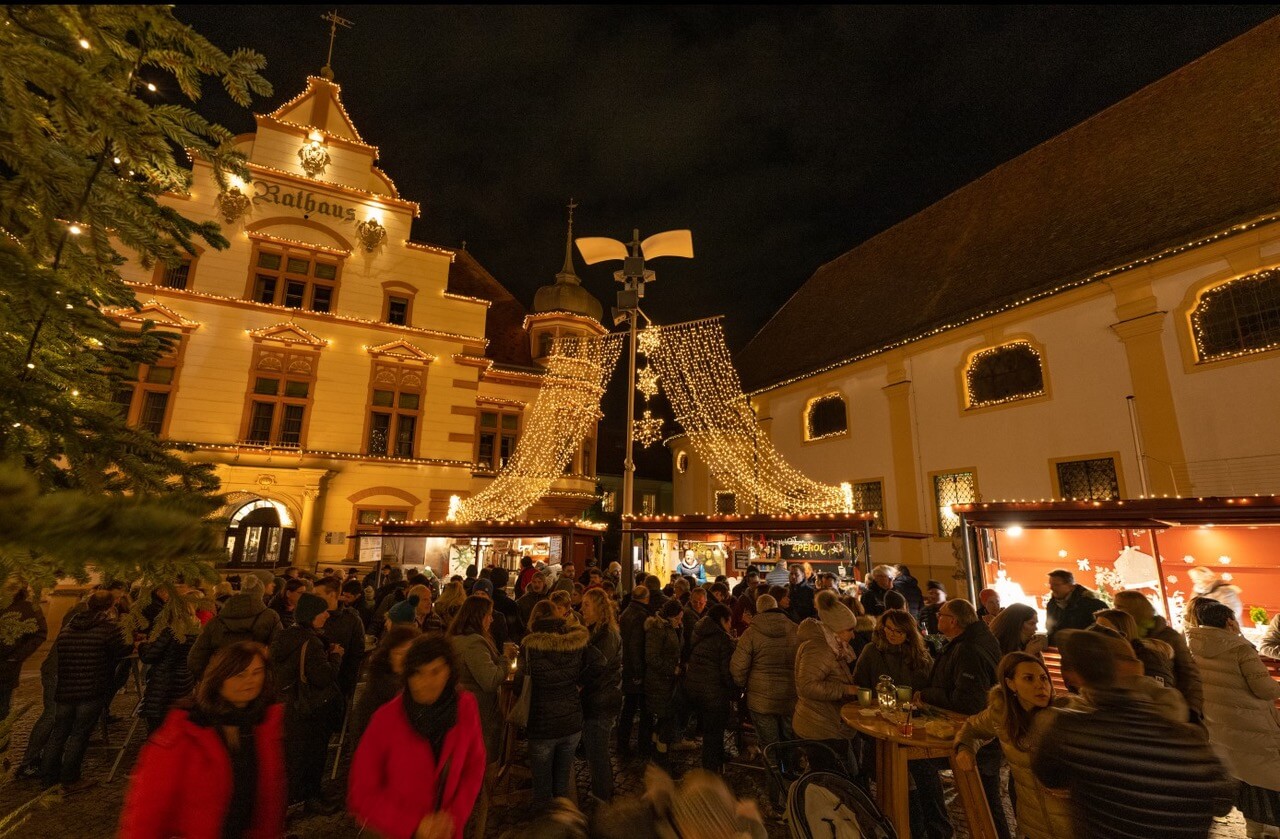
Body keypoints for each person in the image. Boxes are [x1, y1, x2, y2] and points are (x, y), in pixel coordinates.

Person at [1031, 629, 1236, 839]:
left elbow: (1050, 777)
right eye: (1133, 658)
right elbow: (1222, 801)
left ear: (1077, 675)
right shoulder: (1189, 739)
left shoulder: (1070, 731)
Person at [119, 642, 284, 839]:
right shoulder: (184, 732)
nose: (250, 681)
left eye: (257, 672)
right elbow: (148, 809)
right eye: (240, 674)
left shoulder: (263, 725)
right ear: (219, 678)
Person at [349, 634, 487, 839]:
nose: (426, 682)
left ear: (449, 671)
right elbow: (361, 793)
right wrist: (415, 824)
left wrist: (454, 817)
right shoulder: (386, 719)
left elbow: (474, 763)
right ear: (407, 675)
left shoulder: (465, 706)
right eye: (417, 673)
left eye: (436, 671)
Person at [911, 598, 1009, 839]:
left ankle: (939, 830)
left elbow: (968, 700)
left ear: (953, 621)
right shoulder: (975, 640)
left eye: (941, 615)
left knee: (986, 799)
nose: (937, 618)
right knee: (988, 799)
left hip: (978, 736)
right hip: (983, 734)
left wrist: (927, 694)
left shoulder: (969, 649)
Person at [954, 652, 1078, 839]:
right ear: (1011, 684)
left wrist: (1079, 784)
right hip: (1031, 827)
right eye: (1029, 678)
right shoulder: (1001, 714)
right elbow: (972, 727)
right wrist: (965, 748)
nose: (1040, 685)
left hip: (1072, 829)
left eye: (1044, 678)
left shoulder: (1065, 716)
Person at [1187, 601, 1280, 838]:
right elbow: (1265, 690)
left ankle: (1255, 829)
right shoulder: (1240, 649)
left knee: (1245, 777)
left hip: (1221, 725)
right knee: (1267, 776)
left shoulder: (1194, 648)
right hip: (1253, 723)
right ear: (1229, 621)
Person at [41, 590, 132, 789]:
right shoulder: (108, 628)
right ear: (111, 606)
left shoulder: (69, 627)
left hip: (66, 688)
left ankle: (48, 777)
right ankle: (70, 778)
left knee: (59, 733)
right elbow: (122, 649)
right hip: (92, 688)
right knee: (79, 734)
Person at [519, 599, 602, 806]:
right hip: (571, 722)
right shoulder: (575, 640)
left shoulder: (529, 646)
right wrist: (579, 682)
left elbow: (519, 686)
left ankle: (546, 821)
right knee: (562, 785)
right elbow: (600, 662)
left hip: (542, 724)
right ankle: (563, 818)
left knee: (542, 789)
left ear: (535, 619)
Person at [269, 592, 344, 814]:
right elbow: (324, 677)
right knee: (313, 755)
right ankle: (311, 798)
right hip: (310, 707)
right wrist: (336, 656)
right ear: (311, 614)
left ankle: (295, 798)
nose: (327, 615)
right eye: (323, 612)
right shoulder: (310, 642)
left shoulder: (285, 637)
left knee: (296, 756)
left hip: (290, 704)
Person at [730, 593, 796, 803]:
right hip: (790, 697)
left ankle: (775, 798)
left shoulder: (751, 633)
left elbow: (738, 668)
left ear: (758, 610)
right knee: (789, 742)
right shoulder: (795, 629)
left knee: (769, 745)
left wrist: (744, 685)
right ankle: (793, 790)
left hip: (761, 700)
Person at [791, 590, 860, 772]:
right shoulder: (820, 648)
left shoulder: (834, 646)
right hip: (819, 726)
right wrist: (846, 689)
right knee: (830, 778)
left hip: (826, 723)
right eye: (850, 630)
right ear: (836, 628)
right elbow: (807, 686)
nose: (853, 635)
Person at [1112, 589, 1204, 721]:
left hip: (1170, 707)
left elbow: (1189, 673)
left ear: (1135, 609)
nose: (1115, 611)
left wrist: (1191, 710)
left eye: (1120, 607)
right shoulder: (1121, 636)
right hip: (1135, 710)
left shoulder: (1168, 636)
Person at [447, 594, 507, 762]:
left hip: (464, 710)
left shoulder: (457, 638)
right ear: (478, 617)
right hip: (478, 713)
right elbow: (490, 681)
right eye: (489, 615)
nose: (492, 620)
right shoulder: (474, 643)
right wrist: (505, 660)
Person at [683, 603, 736, 772]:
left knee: (709, 729)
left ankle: (716, 756)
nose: (730, 626)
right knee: (714, 731)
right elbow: (726, 672)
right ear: (722, 620)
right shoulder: (722, 639)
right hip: (712, 692)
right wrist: (734, 690)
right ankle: (710, 769)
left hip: (695, 687)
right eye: (729, 621)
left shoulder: (700, 631)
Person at [581, 588, 622, 802]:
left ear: (598, 608)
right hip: (598, 697)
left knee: (597, 749)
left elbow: (597, 667)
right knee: (595, 747)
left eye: (587, 605)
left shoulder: (606, 635)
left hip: (602, 699)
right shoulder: (595, 631)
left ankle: (603, 794)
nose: (582, 609)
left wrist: (579, 682)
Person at [138, 592, 198, 732]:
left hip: (164, 684)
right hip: (184, 682)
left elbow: (149, 656)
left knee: (158, 728)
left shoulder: (170, 631)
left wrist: (143, 645)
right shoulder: (195, 631)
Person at [350, 624, 419, 744]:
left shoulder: (422, 689)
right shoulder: (378, 692)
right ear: (389, 657)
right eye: (399, 653)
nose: (405, 659)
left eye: (410, 653)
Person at [644, 599, 685, 770]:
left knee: (664, 718)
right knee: (666, 718)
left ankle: (658, 753)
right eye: (678, 618)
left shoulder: (671, 627)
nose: (680, 622)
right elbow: (651, 657)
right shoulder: (658, 629)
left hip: (667, 681)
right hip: (659, 682)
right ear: (670, 616)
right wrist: (671, 669)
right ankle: (661, 758)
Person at [1092, 608, 1177, 689]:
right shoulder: (1108, 658)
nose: (1098, 634)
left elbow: (1158, 694)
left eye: (1105, 629)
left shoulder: (1147, 659)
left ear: (1122, 631)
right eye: (1096, 629)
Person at [0, 577, 47, 720]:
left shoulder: (28, 608)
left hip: (6, 667)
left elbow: (40, 633)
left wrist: (17, 656)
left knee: (2, 708)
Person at [852, 609, 934, 691]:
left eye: (898, 631)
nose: (892, 634)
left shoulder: (919, 654)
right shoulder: (871, 650)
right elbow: (860, 683)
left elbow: (931, 683)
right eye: (888, 628)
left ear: (909, 633)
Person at [315, 576, 366, 703]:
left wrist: (346, 687)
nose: (314, 598)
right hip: (313, 687)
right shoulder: (312, 616)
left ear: (332, 595)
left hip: (338, 686)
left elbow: (356, 655)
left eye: (318, 595)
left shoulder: (352, 620)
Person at [618, 585, 652, 759]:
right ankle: (641, 745)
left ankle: (622, 743)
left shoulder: (626, 612)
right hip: (636, 670)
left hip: (628, 666)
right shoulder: (640, 616)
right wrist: (639, 672)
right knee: (641, 708)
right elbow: (635, 645)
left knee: (629, 708)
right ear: (646, 598)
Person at [1044, 569, 1107, 646]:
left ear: (1071, 586)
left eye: (1056, 585)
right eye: (1050, 584)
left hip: (1084, 648)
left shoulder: (1093, 604)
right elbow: (1050, 629)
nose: (1051, 588)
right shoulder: (1052, 605)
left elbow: (1102, 631)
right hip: (1059, 648)